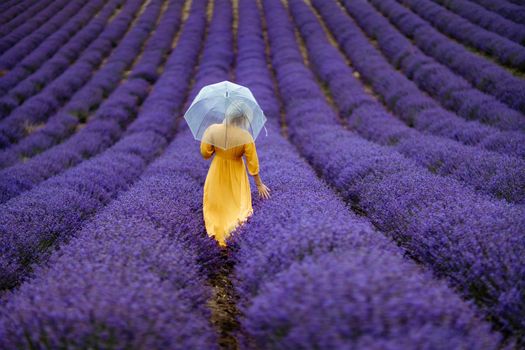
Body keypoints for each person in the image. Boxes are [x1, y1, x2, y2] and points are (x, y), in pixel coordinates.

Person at [200, 101, 270, 248]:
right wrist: (259, 184)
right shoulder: (245, 136)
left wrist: (215, 146)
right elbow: (253, 164)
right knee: (237, 206)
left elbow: (205, 153)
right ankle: (234, 240)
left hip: (217, 171)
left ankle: (217, 239)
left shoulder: (212, 130)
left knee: (217, 206)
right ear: (243, 119)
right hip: (236, 173)